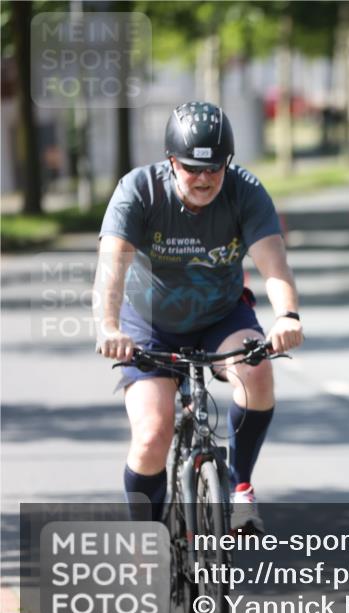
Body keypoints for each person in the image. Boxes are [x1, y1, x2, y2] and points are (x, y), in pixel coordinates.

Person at [94, 101, 304, 533]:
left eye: (215, 168)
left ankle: (240, 484)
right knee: (153, 434)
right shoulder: (138, 191)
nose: (205, 178)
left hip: (220, 315)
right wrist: (109, 327)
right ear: (171, 161)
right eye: (192, 168)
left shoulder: (245, 191)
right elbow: (111, 267)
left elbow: (274, 265)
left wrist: (287, 316)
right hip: (148, 324)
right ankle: (146, 536)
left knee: (257, 370)